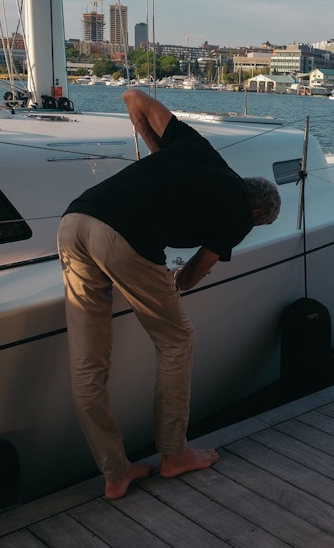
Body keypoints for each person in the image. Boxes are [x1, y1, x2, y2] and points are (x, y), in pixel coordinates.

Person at [57, 89, 281, 500]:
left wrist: (157, 150)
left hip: (74, 220)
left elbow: (133, 98)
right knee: (177, 340)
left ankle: (115, 471)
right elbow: (194, 273)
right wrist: (170, 283)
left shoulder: (199, 149)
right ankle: (174, 454)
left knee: (88, 362)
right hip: (123, 235)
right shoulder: (240, 214)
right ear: (257, 214)